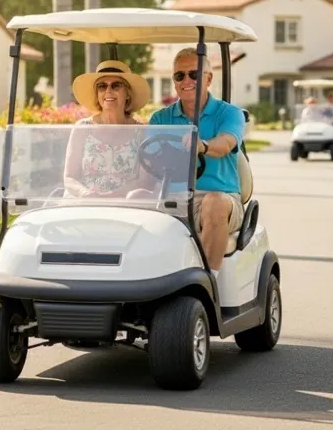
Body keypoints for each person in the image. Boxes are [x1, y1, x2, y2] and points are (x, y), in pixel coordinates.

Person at [148, 47, 244, 271]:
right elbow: (149, 165)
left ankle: (207, 287)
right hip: (172, 197)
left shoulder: (229, 113)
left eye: (194, 74)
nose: (186, 80)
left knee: (215, 203)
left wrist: (203, 145)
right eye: (179, 76)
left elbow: (226, 143)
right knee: (136, 198)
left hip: (219, 198)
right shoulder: (161, 118)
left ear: (208, 79)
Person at [62, 60, 156, 199]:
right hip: (84, 203)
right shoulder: (82, 128)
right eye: (102, 86)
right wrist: (86, 194)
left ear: (128, 93)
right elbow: (69, 178)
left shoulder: (142, 132)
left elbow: (145, 182)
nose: (108, 91)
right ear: (97, 94)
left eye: (116, 85)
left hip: (126, 204)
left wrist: (113, 196)